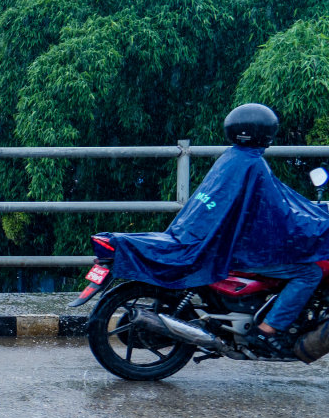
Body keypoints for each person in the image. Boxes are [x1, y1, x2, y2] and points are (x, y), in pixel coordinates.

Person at [105, 103, 329, 360]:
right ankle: (268, 331)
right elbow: (279, 212)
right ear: (266, 133)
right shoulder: (253, 165)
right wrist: (317, 223)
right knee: (309, 272)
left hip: (213, 235)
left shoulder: (231, 158)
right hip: (238, 246)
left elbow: (273, 203)